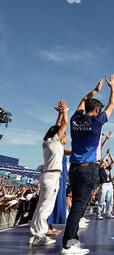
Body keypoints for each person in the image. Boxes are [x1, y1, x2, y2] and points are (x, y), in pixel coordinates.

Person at [59, 75, 114, 255]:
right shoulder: (97, 122)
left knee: (78, 204)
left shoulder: (76, 119)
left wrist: (94, 90)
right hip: (88, 168)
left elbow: (83, 100)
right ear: (97, 110)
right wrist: (113, 87)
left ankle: (73, 239)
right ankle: (67, 244)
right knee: (78, 206)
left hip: (74, 168)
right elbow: (113, 102)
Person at [29, 100, 68, 246]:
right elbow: (63, 126)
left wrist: (59, 115)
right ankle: (39, 234)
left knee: (41, 206)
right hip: (52, 176)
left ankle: (35, 232)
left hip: (46, 175)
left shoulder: (47, 142)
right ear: (57, 135)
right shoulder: (55, 142)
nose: (65, 136)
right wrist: (65, 111)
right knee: (46, 207)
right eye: (63, 135)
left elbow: (57, 127)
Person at [96, 148, 114, 220]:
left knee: (110, 199)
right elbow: (102, 161)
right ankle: (99, 213)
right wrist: (107, 154)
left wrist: (110, 154)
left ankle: (108, 212)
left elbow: (113, 161)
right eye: (106, 162)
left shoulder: (108, 168)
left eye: (107, 162)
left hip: (109, 184)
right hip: (103, 184)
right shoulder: (100, 169)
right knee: (101, 199)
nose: (107, 163)